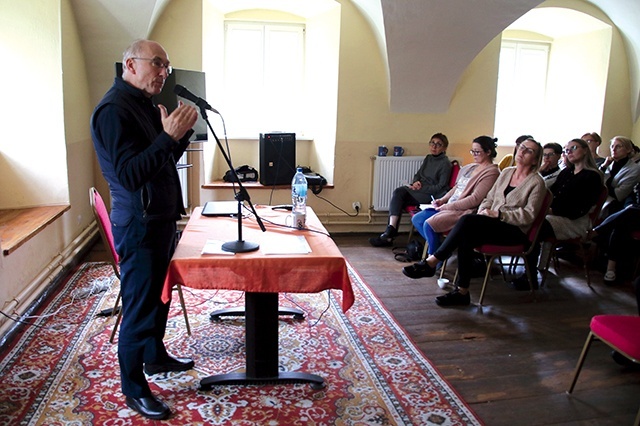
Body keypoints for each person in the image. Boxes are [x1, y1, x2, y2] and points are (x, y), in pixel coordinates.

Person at [91, 39, 198, 420]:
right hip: (138, 226)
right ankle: (134, 389)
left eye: (166, 65)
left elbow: (159, 160)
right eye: (157, 63)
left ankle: (155, 358)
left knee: (161, 297)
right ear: (130, 65)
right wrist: (167, 136)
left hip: (161, 219)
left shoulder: (144, 106)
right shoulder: (112, 111)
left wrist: (178, 136)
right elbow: (130, 175)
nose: (163, 72)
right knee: (138, 308)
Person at [411, 138, 547, 306]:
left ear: (535, 159)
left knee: (467, 221)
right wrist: (485, 211)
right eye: (522, 148)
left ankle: (433, 261)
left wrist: (498, 214)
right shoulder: (507, 173)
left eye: (529, 151)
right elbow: (489, 198)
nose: (523, 152)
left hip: (515, 230)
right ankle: (462, 292)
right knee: (466, 237)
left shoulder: (537, 182)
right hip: (492, 222)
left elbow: (528, 215)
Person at [510, 138, 603, 290]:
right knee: (531, 219)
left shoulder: (592, 176)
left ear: (585, 150)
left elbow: (581, 208)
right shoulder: (567, 172)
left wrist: (551, 210)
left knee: (537, 225)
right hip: (553, 216)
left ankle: (529, 274)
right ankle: (526, 266)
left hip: (575, 221)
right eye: (567, 150)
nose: (569, 152)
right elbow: (551, 195)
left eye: (573, 148)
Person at [402, 136, 500, 278]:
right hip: (450, 205)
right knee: (418, 219)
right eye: (472, 151)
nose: (474, 155)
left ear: (488, 152)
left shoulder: (491, 172)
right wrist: (442, 200)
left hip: (463, 210)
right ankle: (441, 251)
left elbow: (474, 199)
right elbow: (456, 188)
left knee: (430, 224)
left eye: (477, 152)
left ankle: (434, 260)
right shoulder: (471, 168)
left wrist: (448, 207)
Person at [369, 133, 452, 247]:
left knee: (400, 194)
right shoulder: (428, 158)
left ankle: (389, 234)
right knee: (399, 193)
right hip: (420, 191)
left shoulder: (445, 164)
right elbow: (418, 174)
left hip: (431, 195)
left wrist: (422, 187)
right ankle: (390, 231)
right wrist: (416, 182)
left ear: (444, 148)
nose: (434, 146)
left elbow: (441, 187)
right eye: (432, 143)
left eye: (438, 144)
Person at [592, 183, 640, 284]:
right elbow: (631, 196)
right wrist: (629, 205)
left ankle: (596, 232)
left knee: (629, 212)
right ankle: (611, 268)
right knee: (621, 225)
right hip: (635, 213)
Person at [599, 136, 640, 218]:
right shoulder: (608, 164)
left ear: (628, 150)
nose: (613, 149)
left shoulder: (635, 168)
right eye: (612, 146)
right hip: (600, 197)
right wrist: (603, 166)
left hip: (615, 203)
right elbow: (594, 180)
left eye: (618, 146)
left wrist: (601, 186)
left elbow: (619, 194)